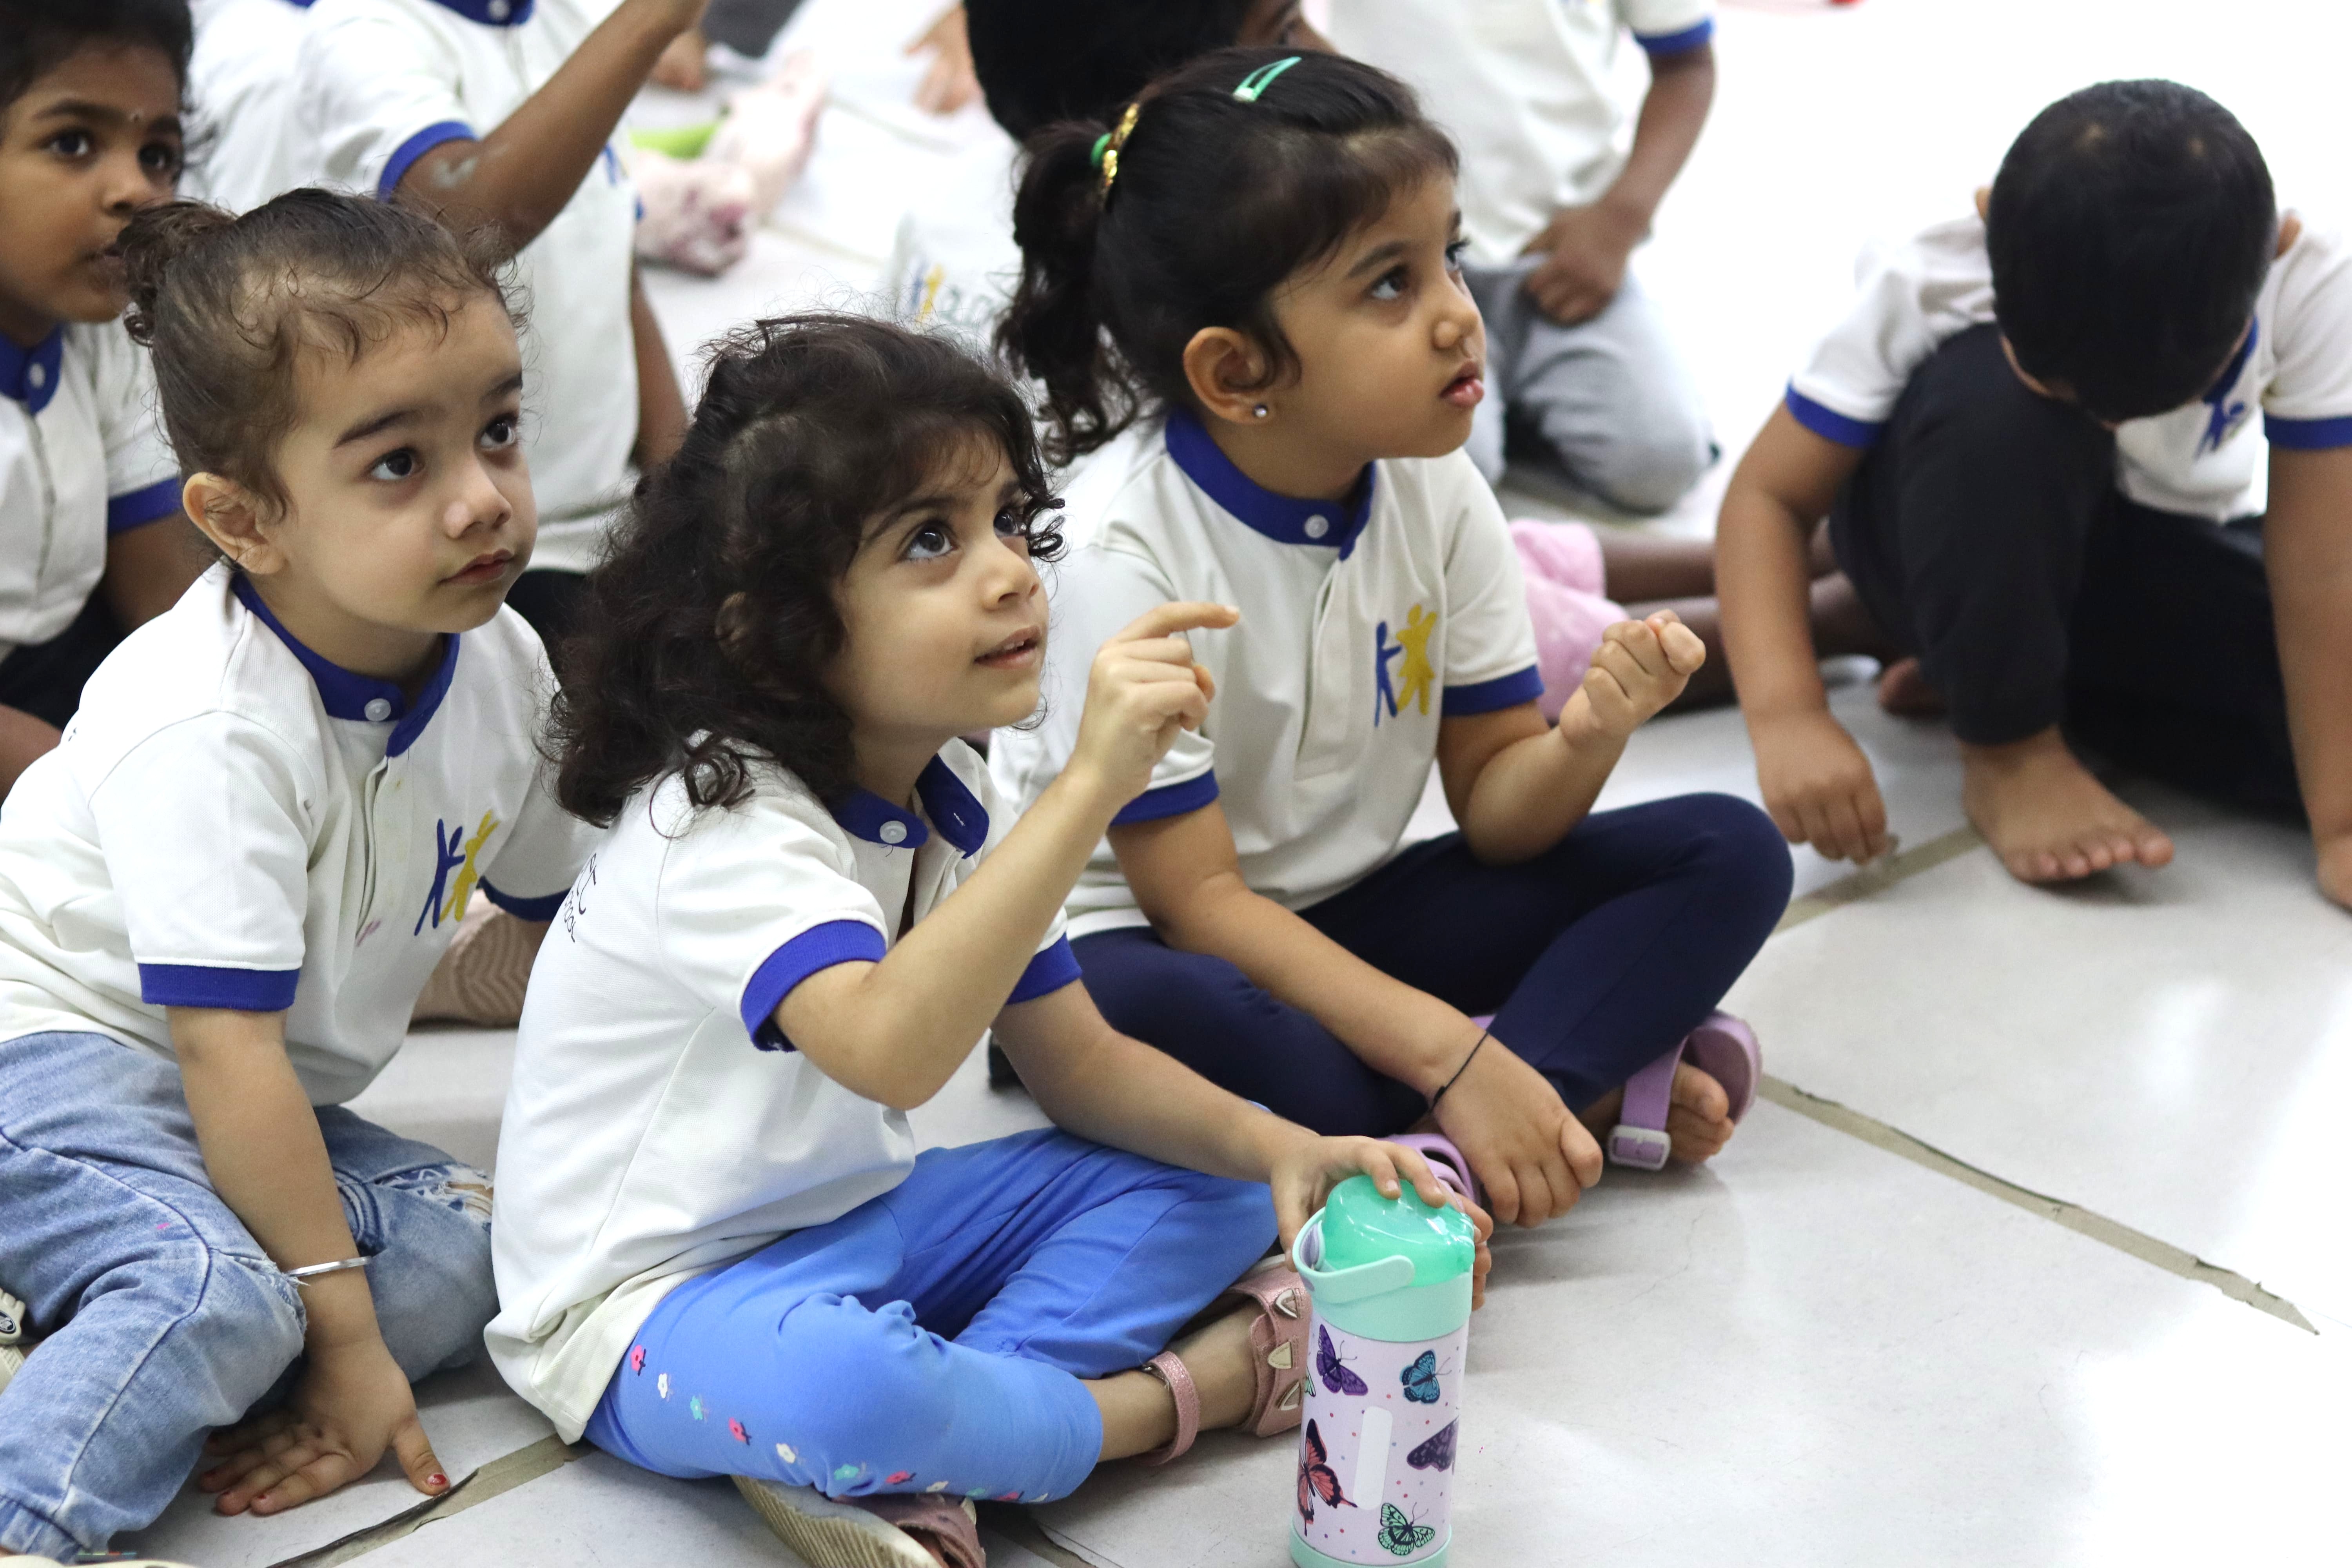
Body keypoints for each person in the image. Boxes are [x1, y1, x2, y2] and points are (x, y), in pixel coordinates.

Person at [484, 312, 1486, 1568]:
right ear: (769, 628)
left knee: (1230, 1183)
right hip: (640, 1308)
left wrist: (1292, 1152)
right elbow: (890, 1054)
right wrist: (1092, 786)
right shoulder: (719, 823)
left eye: (1011, 521)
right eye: (930, 541)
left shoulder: (947, 791)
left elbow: (1083, 1065)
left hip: (855, 1222)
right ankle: (1175, 1397)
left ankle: (943, 1449)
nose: (1011, 573)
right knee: (852, 1389)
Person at [990, 49, 1793, 1228]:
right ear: (1237, 370)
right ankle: (1543, 1081)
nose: (1460, 313)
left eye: (1450, 257)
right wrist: (1450, 1054)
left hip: (1345, 910)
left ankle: (1460, 1137)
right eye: (1389, 285)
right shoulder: (1122, 551)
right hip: (1143, 942)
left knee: (1730, 849)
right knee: (1239, 1047)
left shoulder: (1437, 483)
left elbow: (1498, 810)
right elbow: (1200, 902)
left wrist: (1592, 730)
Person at [0, 190, 593, 1563]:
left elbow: (573, 932)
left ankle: (98, 1319)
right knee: (221, 1292)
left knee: (479, 1248)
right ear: (243, 520)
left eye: (498, 430)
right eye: (399, 463)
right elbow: (229, 1056)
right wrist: (345, 1341)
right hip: (53, 1060)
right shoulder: (207, 717)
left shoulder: (505, 665)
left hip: (250, 1096)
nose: (482, 498)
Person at [1715, 80, 2352, 901]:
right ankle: (2009, 749)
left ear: (2275, 253)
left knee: (2312, 701)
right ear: (1988, 222)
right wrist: (1789, 718)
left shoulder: (2312, 283)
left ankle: (1975, 664)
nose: (2108, 423)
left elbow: (2323, 569)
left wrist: (2340, 823)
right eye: (2070, 388)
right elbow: (1768, 498)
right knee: (2002, 414)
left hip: (2136, 547)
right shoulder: (1934, 270)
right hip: (1945, 521)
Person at [298, 0, 697, 644]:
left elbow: (617, 276)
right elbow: (461, 223)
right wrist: (650, 21)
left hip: (608, 522)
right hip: (483, 549)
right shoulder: (364, 30)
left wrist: (685, 492)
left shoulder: (570, 17)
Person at [1325, 0, 1718, 515]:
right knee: (1444, 476)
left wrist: (1618, 222)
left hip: (1564, 260)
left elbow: (1687, 64)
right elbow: (1267, 25)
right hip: (1398, 263)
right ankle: (1499, 417)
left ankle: (1509, 409)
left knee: (1661, 464)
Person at [0, 0, 210, 799]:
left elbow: (171, 605)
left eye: (158, 154)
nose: (135, 190)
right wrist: (107, 792)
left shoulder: (109, 338)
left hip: (58, 687)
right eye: (73, 143)